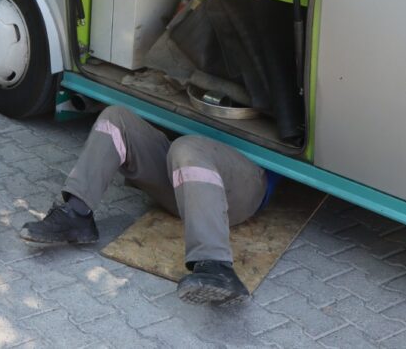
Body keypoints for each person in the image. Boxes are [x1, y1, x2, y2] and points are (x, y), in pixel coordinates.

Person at [21, 105, 279, 305]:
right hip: (184, 175)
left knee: (186, 147)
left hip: (238, 187)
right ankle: (77, 214)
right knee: (115, 118)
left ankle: (215, 266)